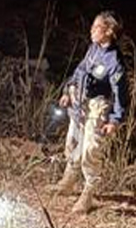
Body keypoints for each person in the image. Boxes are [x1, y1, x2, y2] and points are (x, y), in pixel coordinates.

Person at [51, 11, 128, 213]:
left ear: (109, 31)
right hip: (79, 104)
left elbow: (120, 93)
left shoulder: (115, 61)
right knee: (73, 143)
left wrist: (114, 120)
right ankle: (67, 183)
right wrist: (69, 88)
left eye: (96, 27)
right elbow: (80, 70)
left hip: (97, 107)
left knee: (90, 151)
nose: (92, 30)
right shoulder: (93, 49)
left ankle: (88, 194)